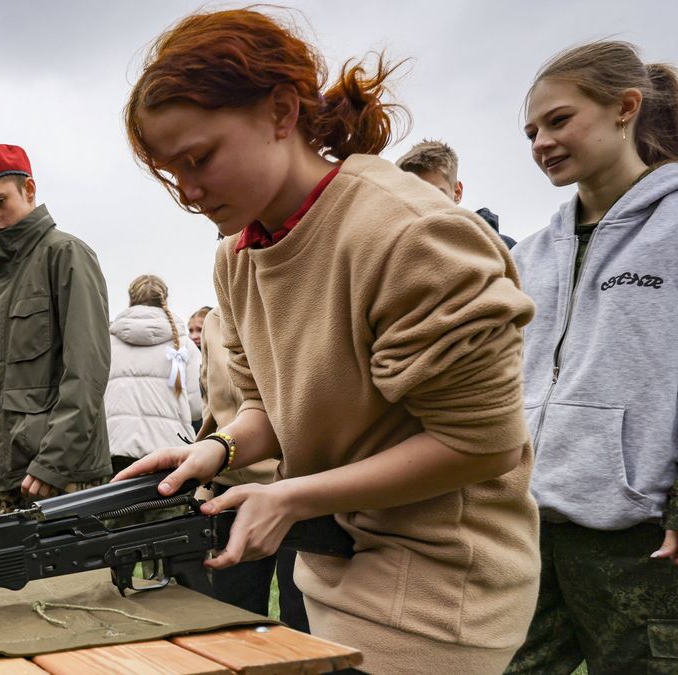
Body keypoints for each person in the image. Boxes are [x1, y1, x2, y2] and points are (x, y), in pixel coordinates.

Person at [119, 9, 538, 673]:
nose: (190, 193)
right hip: (331, 571)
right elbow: (270, 412)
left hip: (438, 599)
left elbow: (480, 444)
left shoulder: (409, 235)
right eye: (173, 175)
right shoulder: (239, 255)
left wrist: (293, 496)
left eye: (199, 159)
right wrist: (214, 448)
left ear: (281, 112)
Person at [506, 40, 678, 675]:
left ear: (625, 108)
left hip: (644, 541)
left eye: (558, 120)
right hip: (528, 528)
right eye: (531, 132)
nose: (541, 143)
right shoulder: (527, 256)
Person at [0, 144, 113, 517]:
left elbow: (86, 371)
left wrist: (53, 462)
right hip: (6, 475)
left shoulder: (67, 255)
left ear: (29, 189)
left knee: (75, 578)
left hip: (64, 476)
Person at [197, 306, 304, 628]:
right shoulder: (215, 321)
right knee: (234, 614)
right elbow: (213, 405)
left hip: (303, 487)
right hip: (233, 490)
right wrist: (204, 480)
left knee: (303, 614)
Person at [106, 274, 202, 474]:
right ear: (164, 299)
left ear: (130, 298)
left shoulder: (108, 341)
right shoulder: (184, 343)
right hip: (171, 450)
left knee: (122, 506)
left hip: (116, 447)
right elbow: (195, 409)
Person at [395, 139, 517, 248]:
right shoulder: (393, 257)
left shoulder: (508, 250)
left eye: (436, 195)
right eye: (413, 197)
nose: (424, 206)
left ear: (457, 192)